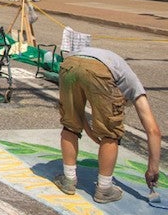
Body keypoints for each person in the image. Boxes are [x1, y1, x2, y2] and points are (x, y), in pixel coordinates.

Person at [52, 47, 161, 204]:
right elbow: (153, 131)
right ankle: (104, 189)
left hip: (70, 64)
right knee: (111, 134)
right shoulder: (135, 87)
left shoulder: (120, 71)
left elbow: (78, 113)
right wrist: (153, 168)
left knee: (70, 124)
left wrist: (91, 134)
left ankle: (68, 179)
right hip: (99, 70)